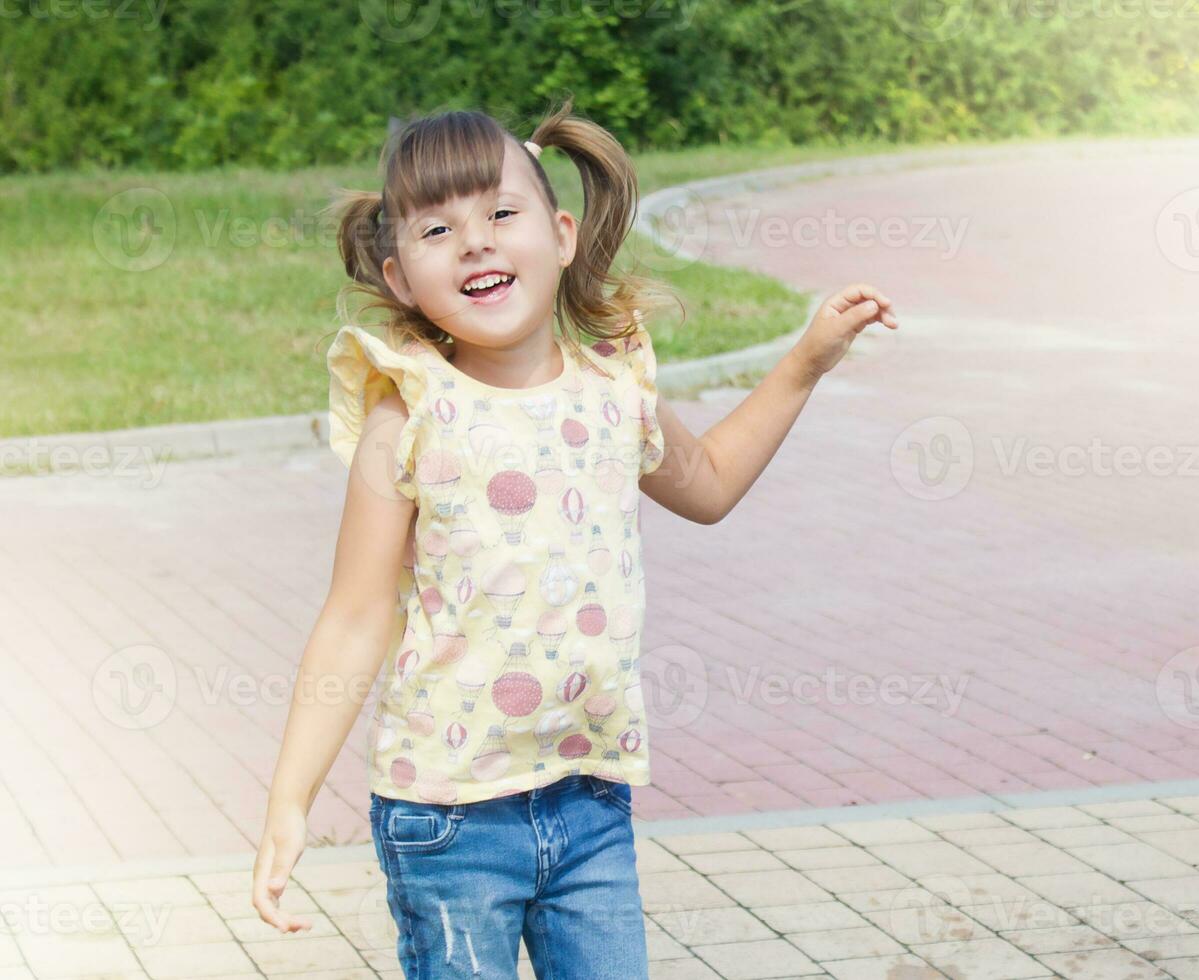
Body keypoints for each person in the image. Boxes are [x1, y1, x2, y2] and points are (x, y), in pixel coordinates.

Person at [249, 98, 897, 978]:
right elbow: (355, 617)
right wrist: (290, 796)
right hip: (447, 816)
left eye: (501, 214)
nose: (476, 242)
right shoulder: (408, 417)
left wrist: (804, 362)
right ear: (401, 276)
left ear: (559, 235)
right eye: (439, 229)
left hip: (589, 801)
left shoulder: (612, 391)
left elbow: (707, 487)